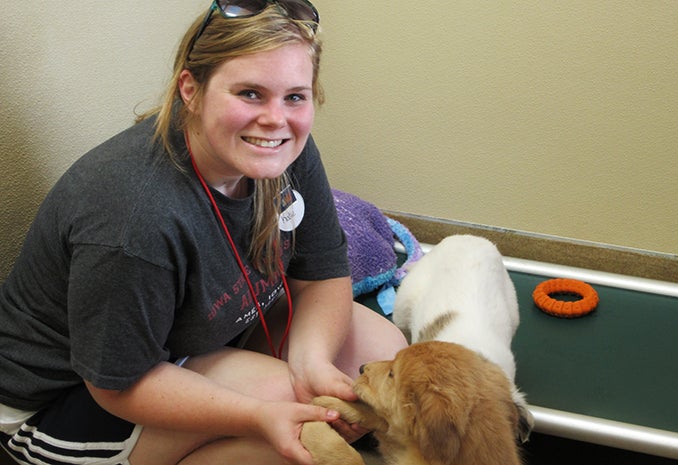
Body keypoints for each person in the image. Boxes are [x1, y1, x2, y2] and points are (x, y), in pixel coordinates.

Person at [0, 1, 408, 464]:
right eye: (250, 93)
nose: (276, 120)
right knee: (300, 423)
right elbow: (117, 383)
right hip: (66, 397)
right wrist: (256, 415)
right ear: (190, 90)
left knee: (376, 357)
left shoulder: (286, 148)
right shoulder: (134, 219)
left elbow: (320, 272)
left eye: (295, 96)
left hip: (191, 338)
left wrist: (311, 361)